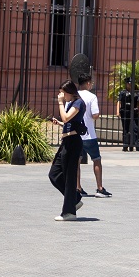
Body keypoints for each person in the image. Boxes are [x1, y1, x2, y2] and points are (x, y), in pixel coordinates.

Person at [49, 80, 86, 220]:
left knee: (70, 176)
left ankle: (69, 212)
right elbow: (67, 122)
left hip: (73, 143)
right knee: (54, 173)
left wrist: (60, 103)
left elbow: (65, 118)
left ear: (69, 92)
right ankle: (75, 199)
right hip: (67, 141)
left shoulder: (78, 103)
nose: (61, 95)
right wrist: (59, 123)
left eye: (63, 93)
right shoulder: (71, 103)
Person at [76, 74, 111, 196]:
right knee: (96, 160)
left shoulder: (74, 96)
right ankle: (100, 188)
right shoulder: (92, 97)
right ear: (87, 83)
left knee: (77, 161)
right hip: (89, 134)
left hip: (76, 134)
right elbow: (95, 114)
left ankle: (78, 187)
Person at [117, 78, 139, 152]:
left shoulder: (135, 93)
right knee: (125, 129)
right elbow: (119, 102)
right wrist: (117, 112)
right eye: (128, 83)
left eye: (131, 83)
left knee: (135, 128)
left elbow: (138, 102)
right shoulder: (123, 92)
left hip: (133, 113)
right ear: (126, 84)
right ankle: (125, 145)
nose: (130, 85)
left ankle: (137, 145)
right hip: (125, 112)